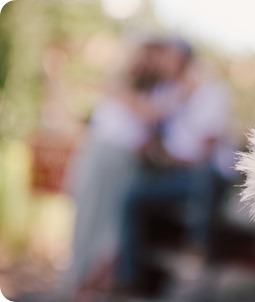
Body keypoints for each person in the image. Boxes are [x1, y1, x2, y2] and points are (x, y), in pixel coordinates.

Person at [115, 38, 231, 292]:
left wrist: (168, 157)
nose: (161, 62)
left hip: (207, 174)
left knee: (203, 176)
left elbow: (205, 149)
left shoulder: (212, 92)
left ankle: (198, 254)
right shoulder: (165, 93)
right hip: (177, 174)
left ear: (182, 60)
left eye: (166, 57)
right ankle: (132, 279)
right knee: (133, 196)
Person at [63, 38, 172, 301]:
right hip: (105, 157)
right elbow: (143, 112)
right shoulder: (122, 83)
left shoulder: (158, 89)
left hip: (126, 163)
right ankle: (80, 285)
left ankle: (90, 285)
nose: (146, 64)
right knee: (90, 222)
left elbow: (149, 121)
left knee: (113, 229)